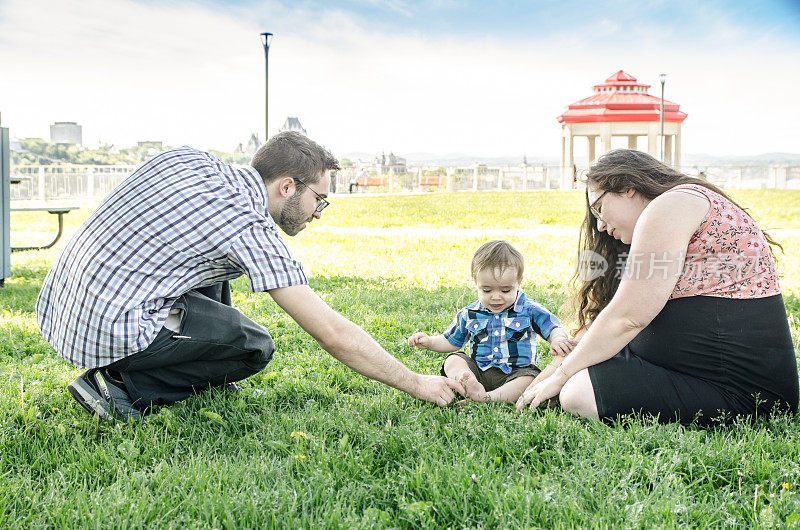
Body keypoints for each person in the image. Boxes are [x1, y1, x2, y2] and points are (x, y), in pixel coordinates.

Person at [36, 131, 462, 421]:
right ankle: (116, 384)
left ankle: (183, 372)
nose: (318, 213)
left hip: (60, 305)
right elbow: (331, 332)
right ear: (287, 186)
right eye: (320, 200)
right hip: (103, 326)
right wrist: (414, 382)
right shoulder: (246, 226)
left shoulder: (191, 161)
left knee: (214, 266)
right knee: (253, 346)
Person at [516, 149, 799, 426]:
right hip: (701, 378)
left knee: (577, 393)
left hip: (745, 395)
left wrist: (561, 375)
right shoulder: (679, 204)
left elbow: (627, 318)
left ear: (628, 188)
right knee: (579, 381)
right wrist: (553, 372)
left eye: (599, 209)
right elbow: (613, 315)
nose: (600, 225)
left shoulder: (670, 206)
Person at [408, 240, 576, 403]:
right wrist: (430, 341)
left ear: (518, 282)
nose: (496, 297)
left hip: (515, 374)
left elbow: (552, 326)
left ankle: (487, 399)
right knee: (453, 360)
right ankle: (470, 386)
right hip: (478, 372)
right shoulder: (470, 313)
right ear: (476, 283)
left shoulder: (529, 310)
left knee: (530, 379)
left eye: (505, 290)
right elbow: (450, 341)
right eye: (487, 290)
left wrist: (558, 339)